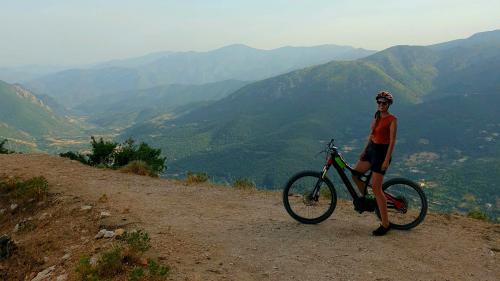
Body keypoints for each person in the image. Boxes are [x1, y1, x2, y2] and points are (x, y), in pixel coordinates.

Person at [352, 91, 397, 236]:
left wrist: (386, 160)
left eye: (384, 103)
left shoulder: (392, 120)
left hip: (382, 153)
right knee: (355, 174)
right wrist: (364, 150)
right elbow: (372, 135)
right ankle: (368, 200)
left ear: (389, 104)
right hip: (371, 150)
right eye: (379, 102)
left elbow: (391, 142)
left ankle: (385, 224)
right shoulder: (377, 116)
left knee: (377, 188)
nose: (381, 105)